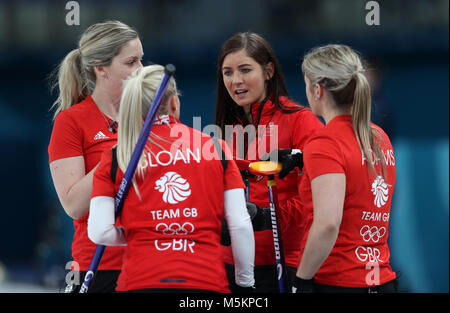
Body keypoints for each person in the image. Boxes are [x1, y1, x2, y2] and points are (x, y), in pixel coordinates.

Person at [87, 65, 255, 293]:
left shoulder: (117, 156)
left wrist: (145, 233)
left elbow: (100, 232)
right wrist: (245, 282)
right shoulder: (215, 147)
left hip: (139, 282)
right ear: (174, 103)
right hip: (205, 283)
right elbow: (240, 224)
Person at [279, 44, 397, 293]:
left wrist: (301, 280)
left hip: (337, 282)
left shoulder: (324, 143)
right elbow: (354, 168)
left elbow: (328, 223)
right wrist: (303, 158)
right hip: (381, 281)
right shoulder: (378, 137)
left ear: (317, 90)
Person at [215, 32, 324, 292]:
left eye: (245, 70)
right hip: (228, 266)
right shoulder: (225, 128)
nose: (236, 80)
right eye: (227, 72)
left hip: (283, 263)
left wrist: (266, 218)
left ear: (268, 71)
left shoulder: (301, 120)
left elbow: (320, 198)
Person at [48, 20, 144, 293]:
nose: (141, 70)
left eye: (142, 60)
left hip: (151, 262)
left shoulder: (147, 117)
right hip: (99, 267)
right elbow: (73, 205)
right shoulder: (71, 121)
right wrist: (120, 152)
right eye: (131, 62)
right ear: (101, 68)